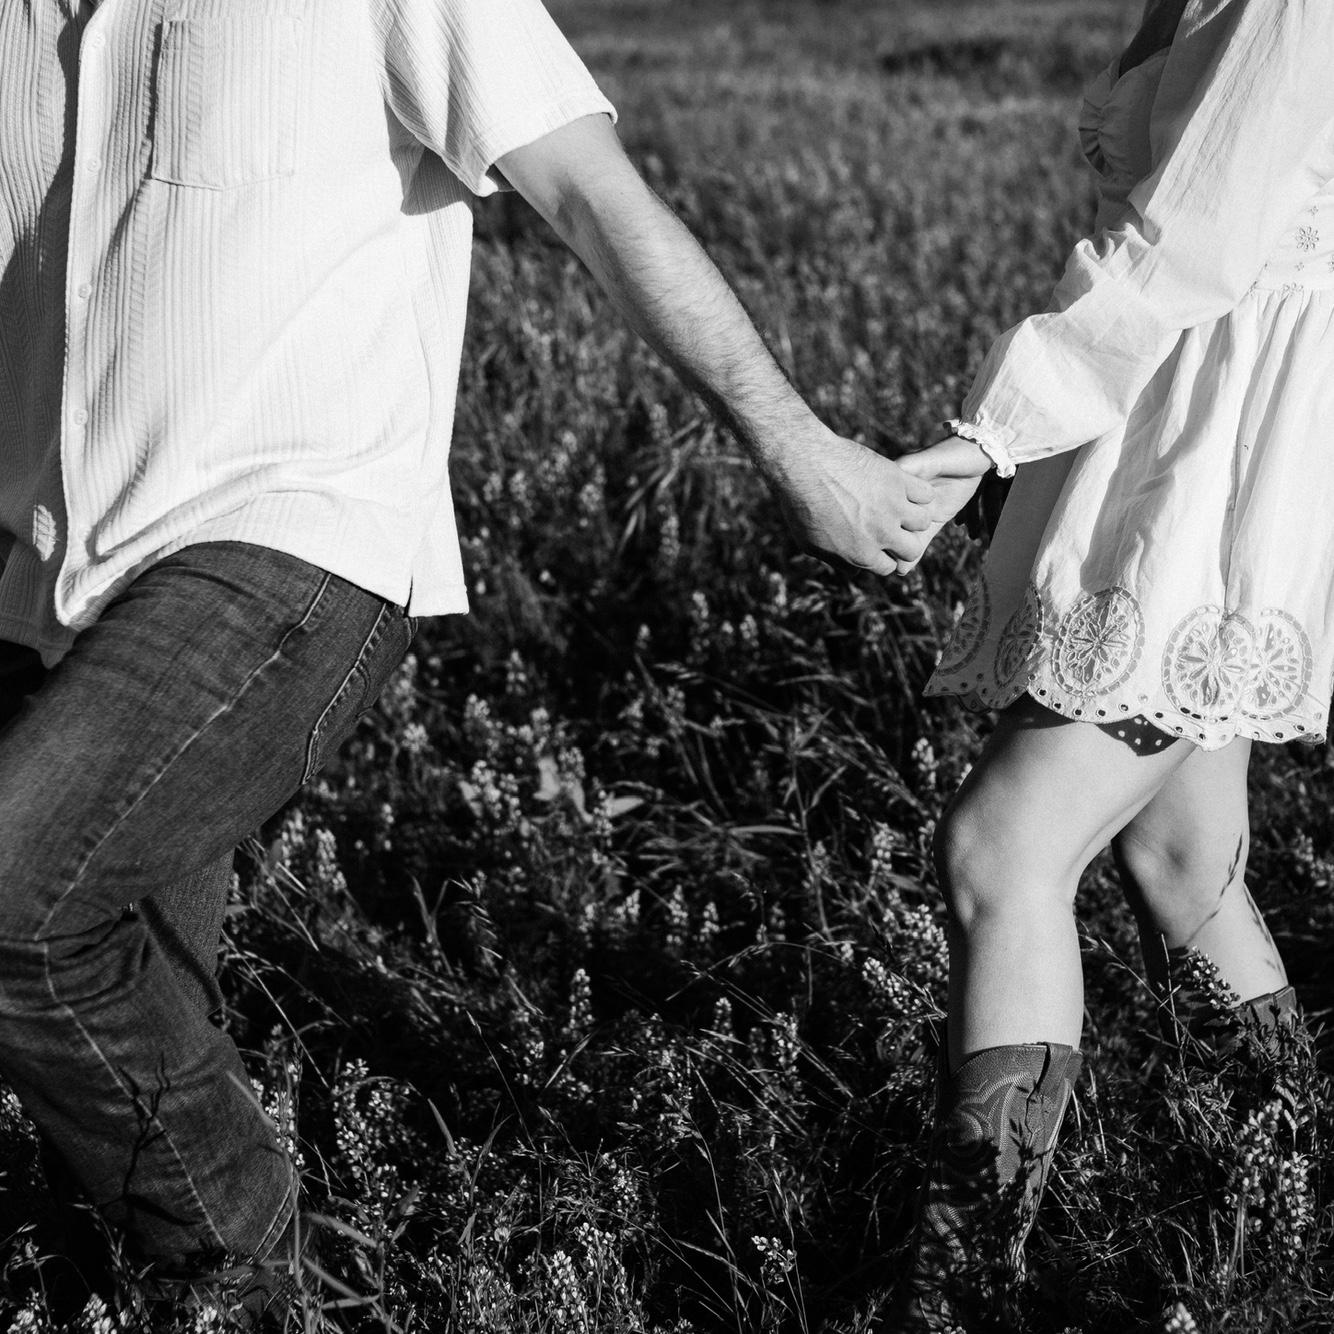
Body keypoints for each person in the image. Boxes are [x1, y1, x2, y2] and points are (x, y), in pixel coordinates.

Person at [0, 0, 937, 1316]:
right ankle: (158, 1291)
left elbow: (593, 198)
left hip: (286, 542)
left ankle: (249, 1270)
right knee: (118, 999)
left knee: (16, 898)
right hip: (46, 568)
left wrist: (796, 444)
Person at [883, 0, 1334, 1327]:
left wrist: (993, 432)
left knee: (1002, 848)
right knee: (1183, 857)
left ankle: (965, 1292)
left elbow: (1191, 238)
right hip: (1175, 431)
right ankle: (1283, 1221)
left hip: (1217, 461)